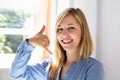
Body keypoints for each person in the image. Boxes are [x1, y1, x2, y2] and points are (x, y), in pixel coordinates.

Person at [10, 8, 104, 80]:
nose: (64, 34)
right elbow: (17, 74)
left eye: (71, 27)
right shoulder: (49, 65)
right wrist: (29, 44)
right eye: (60, 29)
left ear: (83, 31)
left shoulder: (93, 67)